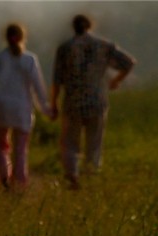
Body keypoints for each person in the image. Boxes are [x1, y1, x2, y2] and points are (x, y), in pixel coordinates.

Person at [51, 14, 136, 190]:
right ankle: (90, 178)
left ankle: (72, 175)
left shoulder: (65, 48)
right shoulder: (104, 46)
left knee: (70, 143)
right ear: (90, 26)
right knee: (94, 144)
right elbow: (129, 62)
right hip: (97, 101)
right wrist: (116, 80)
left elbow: (57, 80)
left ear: (73, 27)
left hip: (72, 102)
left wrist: (54, 103)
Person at [0, 23, 53, 189]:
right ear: (23, 37)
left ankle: (5, 174)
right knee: (21, 149)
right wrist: (46, 109)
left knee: (2, 145)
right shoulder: (29, 59)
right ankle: (19, 182)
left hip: (2, 108)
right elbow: (38, 88)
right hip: (22, 110)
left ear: (6, 38)